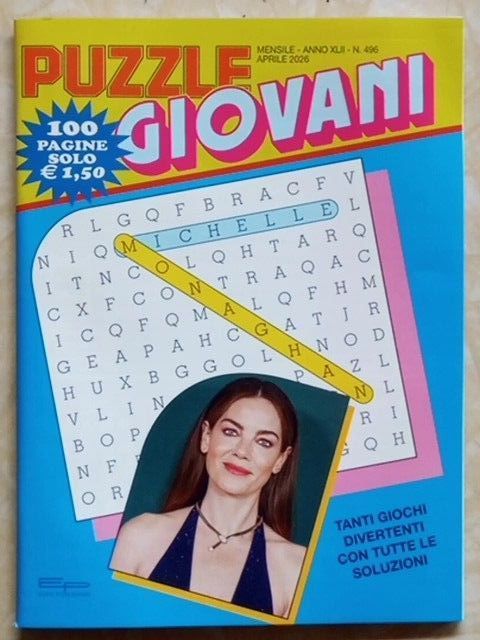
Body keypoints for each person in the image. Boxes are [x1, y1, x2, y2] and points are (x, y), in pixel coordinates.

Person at [111, 377, 306, 617]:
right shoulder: (139, 537)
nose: (242, 451)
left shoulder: (296, 569)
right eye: (231, 432)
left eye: (264, 442)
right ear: (206, 436)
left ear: (280, 460)